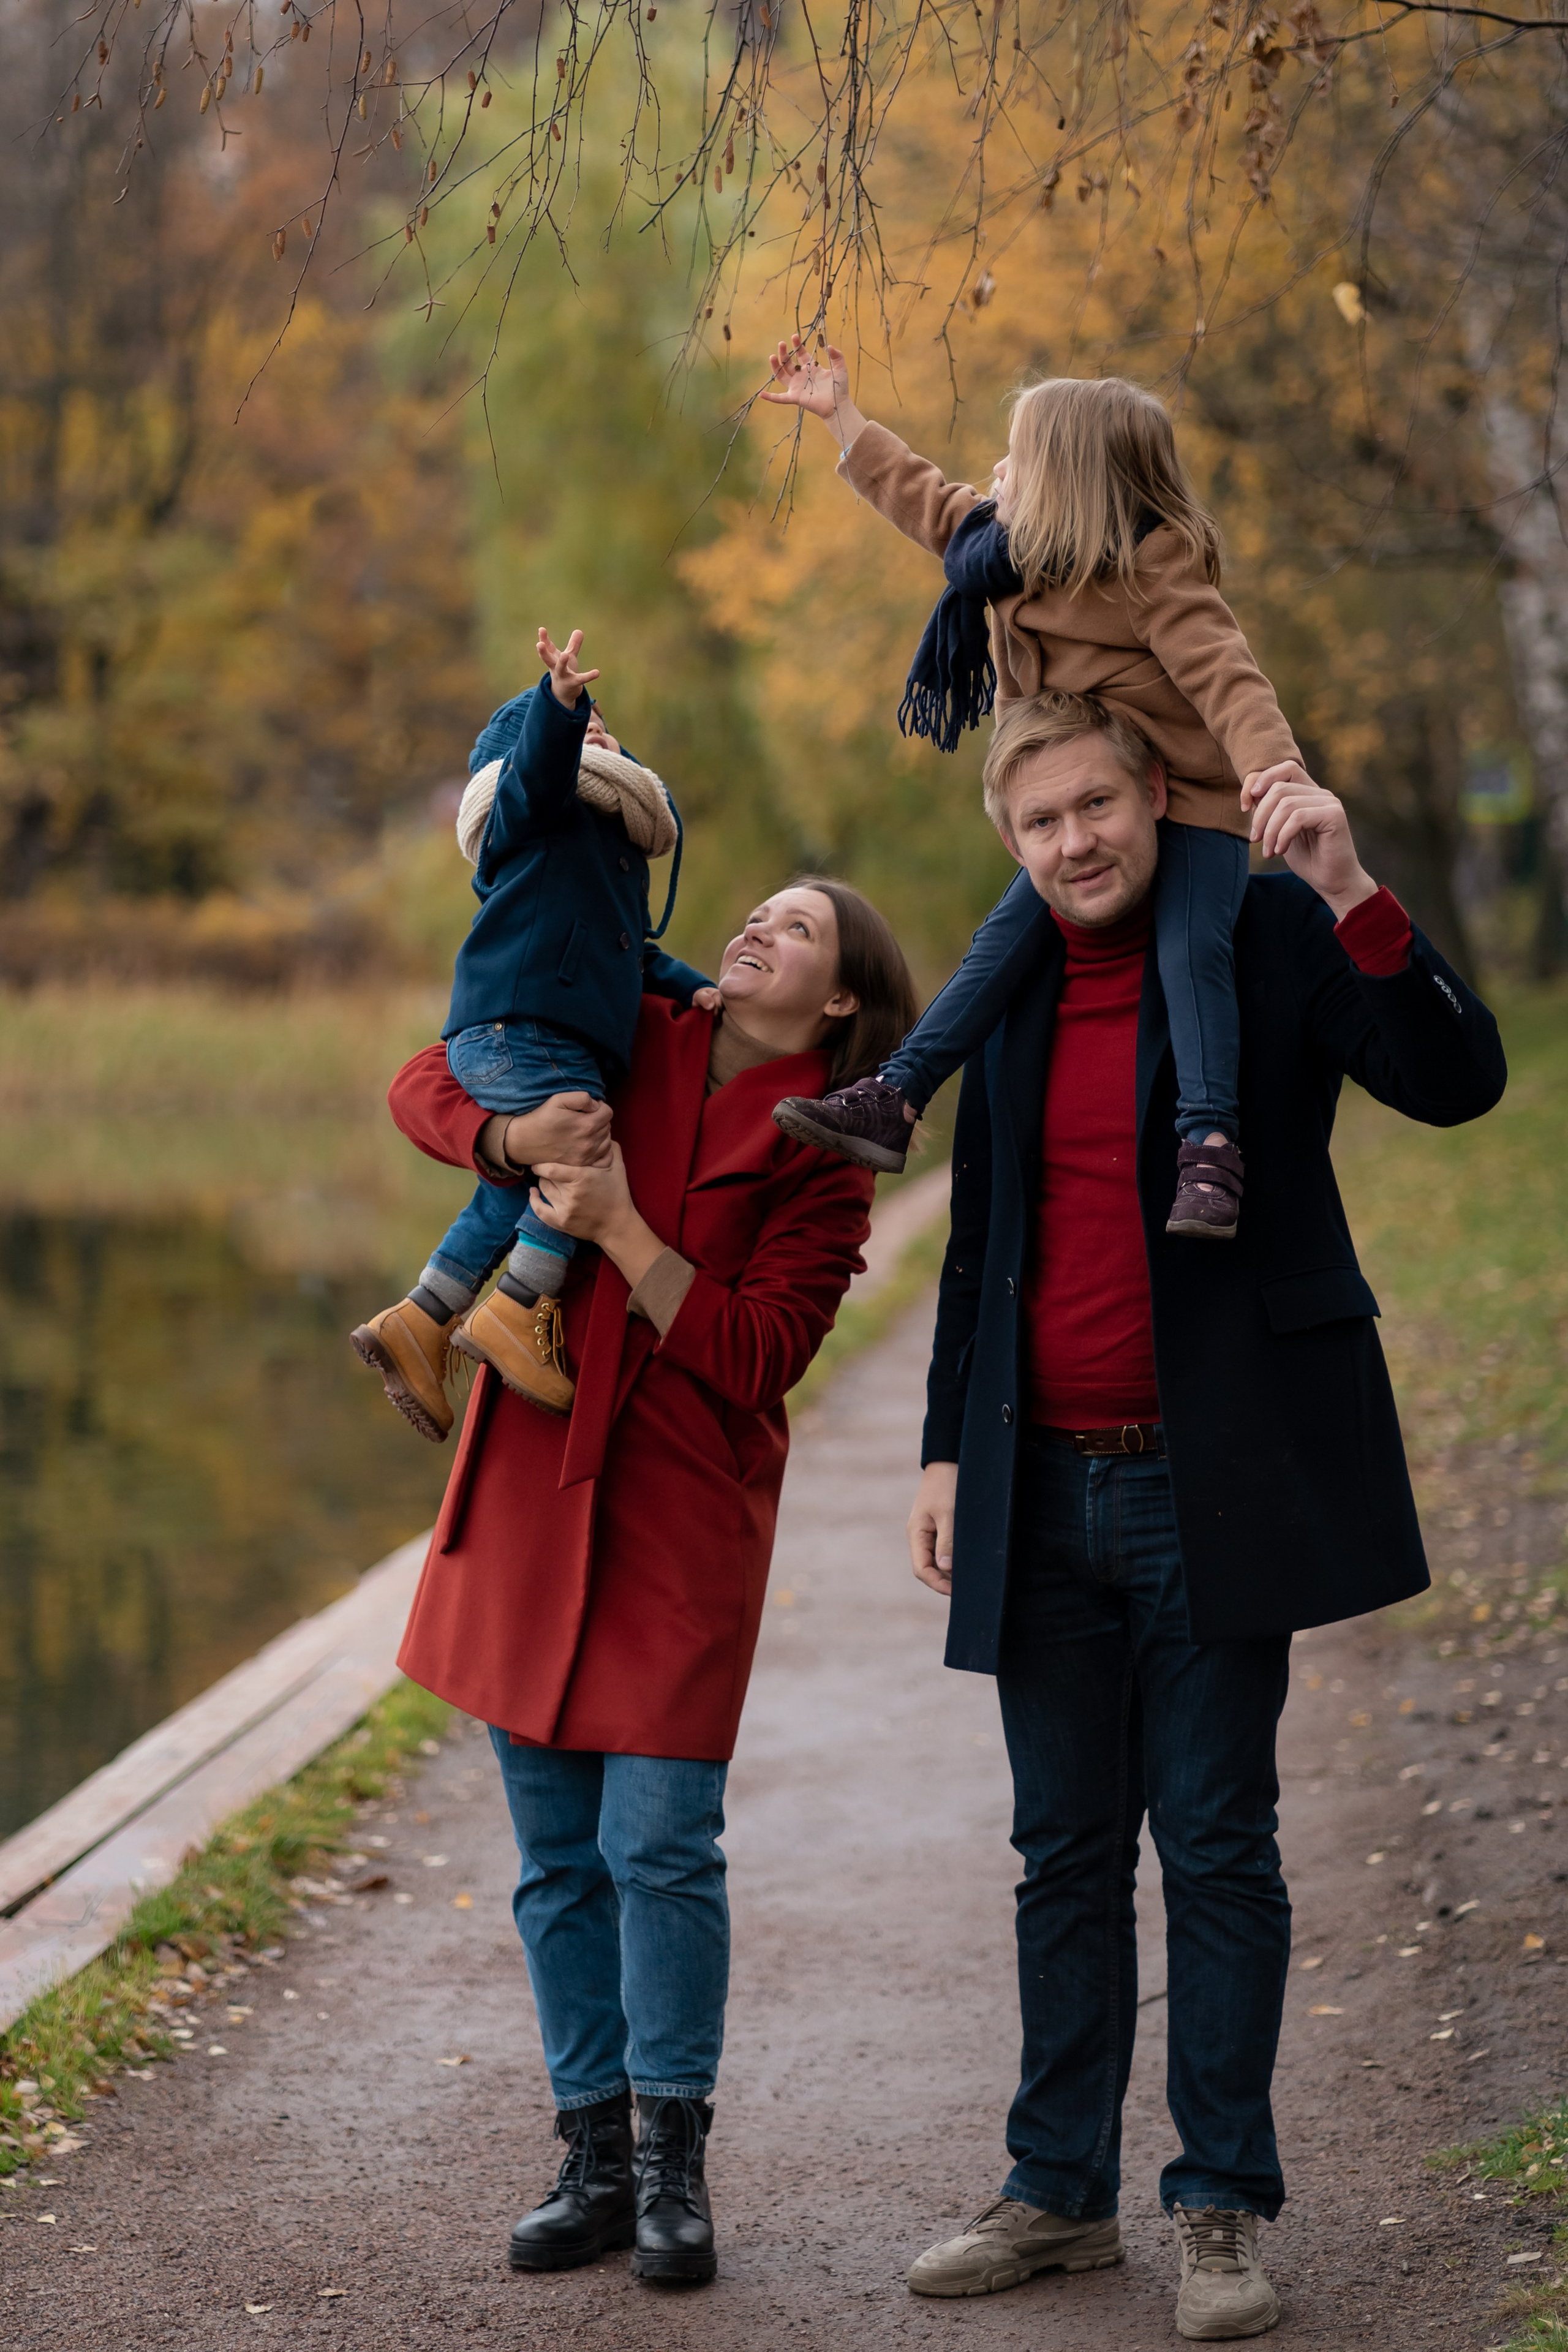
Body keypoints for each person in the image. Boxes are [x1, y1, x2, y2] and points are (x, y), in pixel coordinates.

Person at [897, 692, 1504, 2340]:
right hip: (1039, 1485)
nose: (1077, 842)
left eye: (1098, 805)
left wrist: (1356, 887)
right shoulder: (1012, 978)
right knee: (1059, 1853)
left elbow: (1456, 1083)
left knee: (1217, 1842)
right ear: (1012, 842)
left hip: (1212, 1474)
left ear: (1154, 792)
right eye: (1044, 823)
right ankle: (1056, 2195)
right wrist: (948, 1448)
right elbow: (982, 1241)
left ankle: (1221, 2208)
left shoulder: (1254, 926)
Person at [388, 876, 918, 2287]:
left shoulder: (830, 1142)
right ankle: (594, 2162)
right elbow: (427, 1072)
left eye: (797, 929)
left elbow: (755, 1353)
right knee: (557, 1861)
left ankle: (676, 2161)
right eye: (753, 911)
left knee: (660, 1847)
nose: (755, 930)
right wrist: (505, 1134)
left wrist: (620, 1224)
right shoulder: (627, 1020)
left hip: (681, 1515)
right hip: (525, 1491)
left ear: (844, 998)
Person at [761, 337, 1304, 1243]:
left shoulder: (1147, 569)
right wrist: (842, 417)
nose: (996, 470)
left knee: (1190, 958)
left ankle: (1210, 1147)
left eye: (1018, 457)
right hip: (1092, 802)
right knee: (998, 948)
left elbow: (1228, 677)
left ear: (1071, 482)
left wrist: (1274, 773)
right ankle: (895, 1096)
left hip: (1196, 798)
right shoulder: (1004, 551)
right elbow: (918, 491)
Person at [350, 623, 715, 1435]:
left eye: (603, 726)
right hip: (524, 1028)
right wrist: (556, 707)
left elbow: (636, 957)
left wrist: (703, 993)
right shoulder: (536, 819)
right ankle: (518, 1307)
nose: (601, 733)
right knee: (580, 1149)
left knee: (509, 1187)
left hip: (542, 1031)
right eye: (589, 728)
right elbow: (533, 783)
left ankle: (422, 1317)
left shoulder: (606, 848)